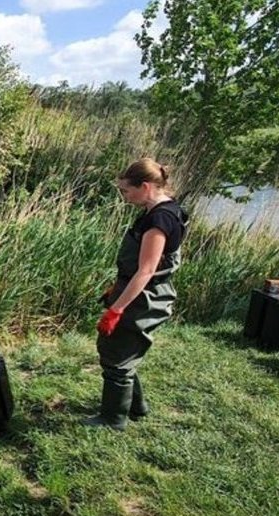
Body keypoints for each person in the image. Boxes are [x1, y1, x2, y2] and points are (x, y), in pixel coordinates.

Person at [87, 158, 189, 430]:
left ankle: (113, 419)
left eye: (125, 190)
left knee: (117, 352)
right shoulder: (163, 209)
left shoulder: (159, 219)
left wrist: (116, 309)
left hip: (145, 297)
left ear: (144, 186)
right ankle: (136, 406)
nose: (123, 196)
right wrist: (116, 287)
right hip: (140, 289)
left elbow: (145, 271)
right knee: (126, 351)